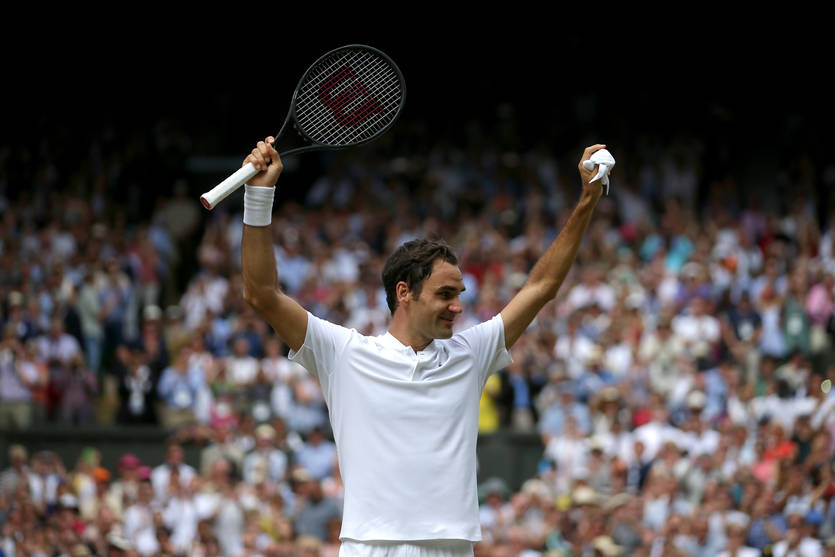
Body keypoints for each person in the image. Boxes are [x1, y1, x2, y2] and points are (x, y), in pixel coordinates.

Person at [239, 137, 608, 557]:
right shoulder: (342, 353)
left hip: (451, 548)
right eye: (445, 294)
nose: (457, 306)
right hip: (368, 547)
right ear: (405, 292)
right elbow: (261, 294)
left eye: (459, 294)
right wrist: (259, 196)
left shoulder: (471, 353)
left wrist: (587, 201)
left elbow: (542, 286)